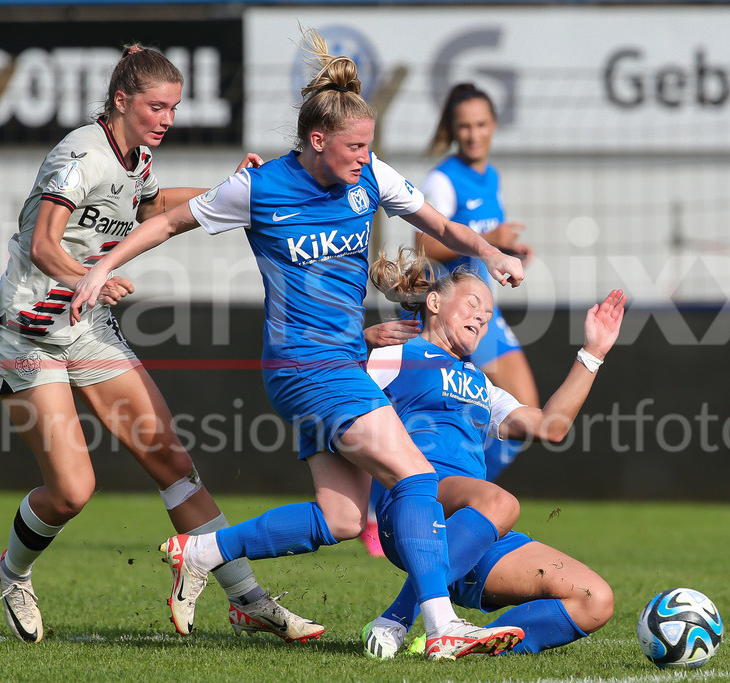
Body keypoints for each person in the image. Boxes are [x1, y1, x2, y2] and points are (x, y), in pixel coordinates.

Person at [69, 28, 527, 661]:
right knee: (417, 477)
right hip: (306, 367)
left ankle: (200, 550)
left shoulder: (371, 178)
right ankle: (441, 625)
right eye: (355, 147)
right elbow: (170, 221)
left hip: (339, 362)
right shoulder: (261, 188)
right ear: (318, 142)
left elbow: (438, 225)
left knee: (341, 519)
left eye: (369, 147)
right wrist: (98, 267)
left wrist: (489, 251)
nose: (366, 158)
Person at [0, 44, 321, 645]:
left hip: (84, 328)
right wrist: (95, 277)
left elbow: (150, 204)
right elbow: (42, 245)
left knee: (172, 463)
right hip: (24, 334)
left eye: (174, 109)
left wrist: (235, 188)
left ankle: (248, 599)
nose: (167, 119)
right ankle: (15, 573)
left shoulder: (135, 156)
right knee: (72, 491)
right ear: (121, 101)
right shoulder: (79, 153)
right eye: (156, 107)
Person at [360, 249, 623, 658]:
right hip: (414, 505)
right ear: (433, 303)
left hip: (473, 527)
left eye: (488, 315)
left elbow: (551, 427)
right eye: (472, 303)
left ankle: (465, 642)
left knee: (595, 600)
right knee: (500, 501)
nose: (482, 317)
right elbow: (317, 373)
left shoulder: (481, 383)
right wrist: (360, 342)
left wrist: (594, 353)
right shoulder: (396, 353)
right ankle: (398, 617)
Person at [415, 83, 540, 482]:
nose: (473, 133)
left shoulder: (490, 178)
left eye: (481, 124)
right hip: (453, 312)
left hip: (484, 311)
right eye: (464, 126)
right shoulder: (443, 180)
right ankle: (435, 494)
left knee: (527, 414)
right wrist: (490, 241)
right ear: (452, 130)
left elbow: (484, 241)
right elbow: (423, 246)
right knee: (519, 415)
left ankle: (452, 491)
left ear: (494, 125)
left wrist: (508, 253)